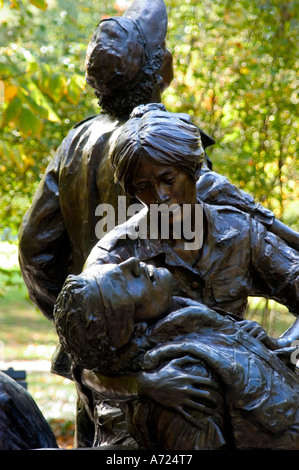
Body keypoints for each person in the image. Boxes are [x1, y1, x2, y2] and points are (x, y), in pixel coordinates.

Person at [54, 257, 299, 450]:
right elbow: (83, 365)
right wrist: (142, 385)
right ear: (133, 328)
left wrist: (259, 345)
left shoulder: (183, 318)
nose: (131, 262)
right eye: (124, 283)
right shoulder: (185, 381)